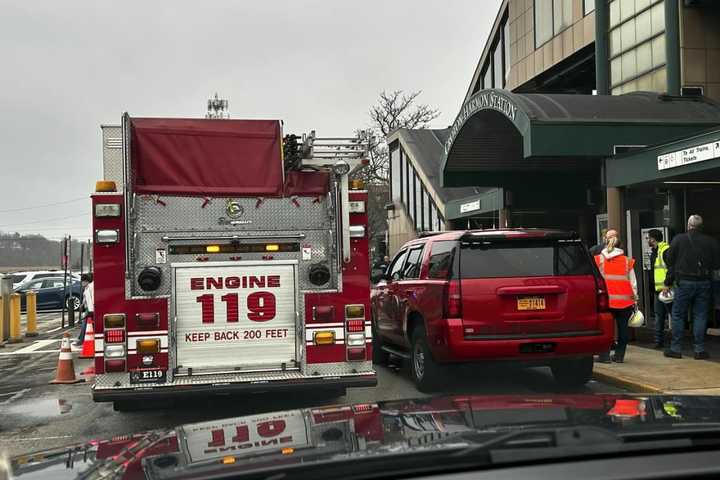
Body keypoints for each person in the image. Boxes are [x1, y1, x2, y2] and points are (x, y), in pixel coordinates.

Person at [663, 215, 720, 360]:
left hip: (684, 282)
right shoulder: (711, 241)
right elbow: (716, 264)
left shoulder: (678, 239)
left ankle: (676, 348)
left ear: (688, 225)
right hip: (704, 282)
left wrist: (668, 281)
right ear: (701, 227)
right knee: (700, 315)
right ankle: (699, 350)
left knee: (678, 315)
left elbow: (670, 260)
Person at [595, 234, 638, 363]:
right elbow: (633, 283)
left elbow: (596, 281)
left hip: (606, 301)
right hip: (625, 302)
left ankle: (604, 356)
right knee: (623, 330)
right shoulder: (627, 261)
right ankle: (619, 356)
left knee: (605, 329)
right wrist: (635, 300)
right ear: (621, 246)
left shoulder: (598, 260)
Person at [648, 229, 671, 349]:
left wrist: (667, 284)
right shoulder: (654, 251)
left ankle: (674, 342)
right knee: (659, 316)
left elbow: (671, 269)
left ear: (653, 239)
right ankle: (658, 341)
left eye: (648, 238)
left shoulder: (664, 250)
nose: (648, 240)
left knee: (672, 315)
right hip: (658, 290)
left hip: (667, 290)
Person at [73, 273, 94, 346]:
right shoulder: (87, 288)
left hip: (91, 309)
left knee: (85, 324)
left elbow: (92, 299)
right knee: (86, 324)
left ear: (86, 281)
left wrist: (91, 310)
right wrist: (82, 305)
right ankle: (81, 339)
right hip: (89, 309)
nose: (81, 283)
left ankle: (81, 340)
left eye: (82, 281)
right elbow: (86, 298)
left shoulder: (91, 287)